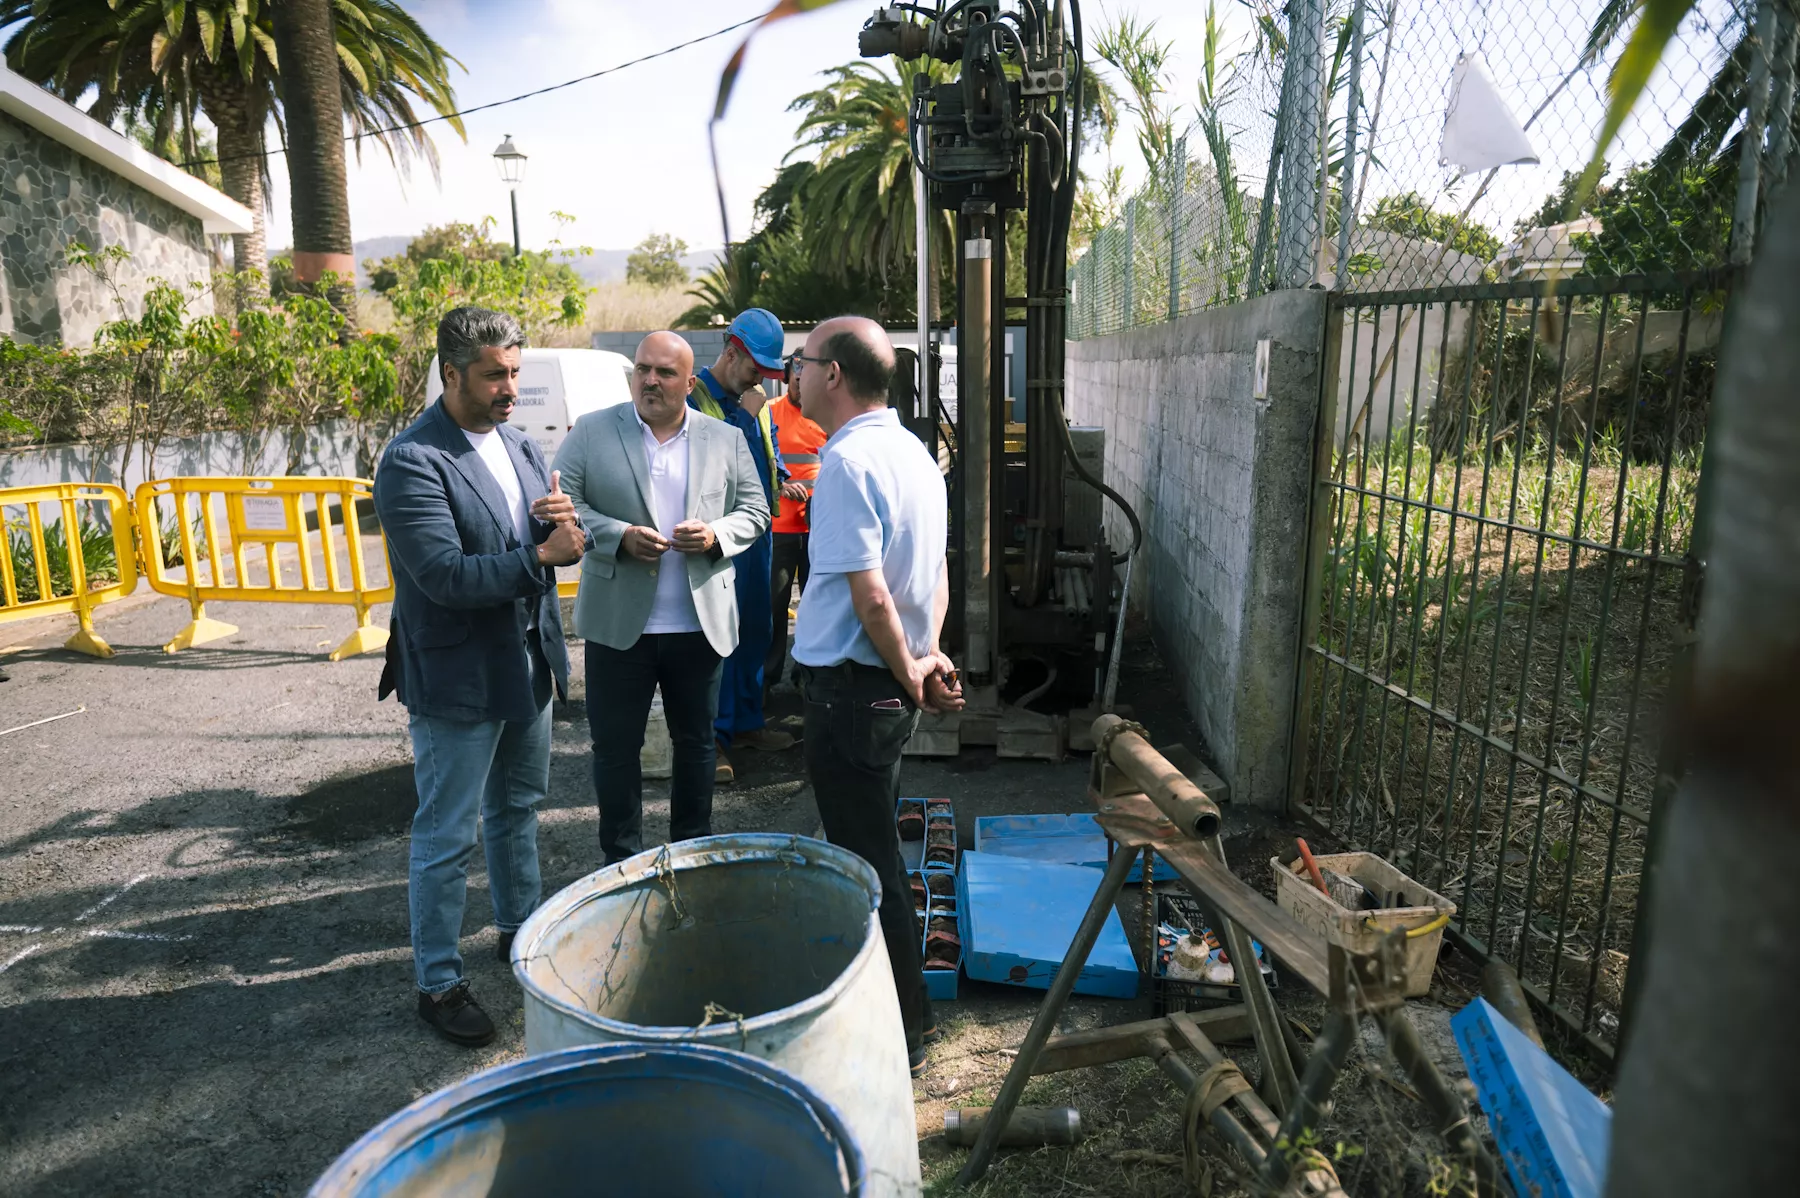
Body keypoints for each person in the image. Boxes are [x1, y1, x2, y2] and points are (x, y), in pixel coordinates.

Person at [374, 306, 588, 1047]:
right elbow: (442, 576)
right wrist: (542, 557)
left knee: (517, 810)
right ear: (451, 372)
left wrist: (559, 528)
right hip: (458, 678)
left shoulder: (523, 445)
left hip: (525, 665)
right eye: (496, 374)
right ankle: (437, 983)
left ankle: (518, 931)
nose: (509, 388)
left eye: (516, 373)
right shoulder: (412, 461)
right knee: (445, 834)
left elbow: (539, 540)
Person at [790, 316, 965, 1076]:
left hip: (853, 692)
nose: (794, 374)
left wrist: (907, 666)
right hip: (883, 687)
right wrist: (924, 660)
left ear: (832, 374)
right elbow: (934, 577)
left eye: (801, 361)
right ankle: (894, 1014)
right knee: (874, 849)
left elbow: (870, 597)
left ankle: (905, 1030)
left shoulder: (848, 464)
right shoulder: (916, 456)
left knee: (870, 865)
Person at [555, 331, 770, 866]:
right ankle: (621, 864)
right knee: (615, 750)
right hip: (618, 624)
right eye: (642, 369)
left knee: (696, 746)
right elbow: (565, 500)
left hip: (697, 625)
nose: (650, 380)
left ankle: (692, 855)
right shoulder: (592, 430)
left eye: (664, 372)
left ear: (689, 383)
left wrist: (718, 535)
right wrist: (617, 535)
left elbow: (757, 512)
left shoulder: (724, 438)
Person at [690, 309, 795, 783]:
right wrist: (742, 416)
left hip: (759, 536)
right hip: (722, 537)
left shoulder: (755, 404)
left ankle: (748, 722)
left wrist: (785, 479)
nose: (762, 382)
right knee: (720, 640)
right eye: (756, 370)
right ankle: (713, 737)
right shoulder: (694, 399)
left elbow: (766, 449)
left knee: (756, 628)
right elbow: (700, 456)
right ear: (731, 354)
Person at [765, 361, 826, 691]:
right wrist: (779, 487)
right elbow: (755, 467)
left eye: (808, 379)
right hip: (780, 531)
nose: (802, 386)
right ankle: (767, 678)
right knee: (775, 607)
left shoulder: (825, 417)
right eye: (797, 379)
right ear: (787, 377)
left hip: (817, 531)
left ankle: (808, 676)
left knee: (817, 607)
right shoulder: (769, 413)